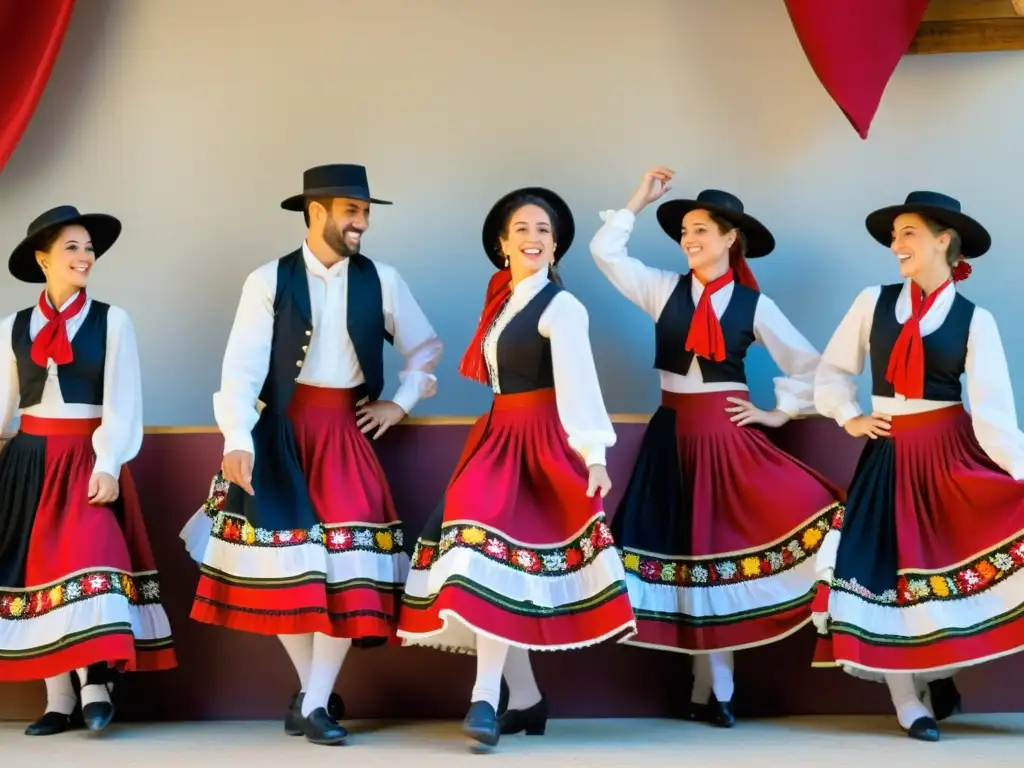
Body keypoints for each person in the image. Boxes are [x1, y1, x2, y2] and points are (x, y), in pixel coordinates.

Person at [179, 164, 443, 746]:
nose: (362, 224)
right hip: (280, 439)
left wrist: (399, 403)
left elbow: (425, 347)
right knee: (287, 575)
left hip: (345, 438)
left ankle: (315, 700)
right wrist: (238, 441)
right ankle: (314, 694)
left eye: (366, 213)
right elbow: (241, 369)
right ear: (316, 211)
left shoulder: (384, 279)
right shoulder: (267, 280)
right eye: (352, 212)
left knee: (347, 570)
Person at [583, 167, 844, 727]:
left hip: (729, 440)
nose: (689, 240)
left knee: (721, 554)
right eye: (684, 232)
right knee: (692, 556)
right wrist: (638, 198)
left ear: (731, 238)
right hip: (672, 437)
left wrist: (777, 412)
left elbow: (816, 368)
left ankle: (715, 688)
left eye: (701, 229)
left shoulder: (755, 305)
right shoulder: (662, 289)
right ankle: (711, 687)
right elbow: (605, 252)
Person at [397, 186, 636, 751]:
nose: (534, 238)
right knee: (494, 567)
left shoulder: (561, 306)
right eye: (523, 229)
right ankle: (526, 701)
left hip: (537, 446)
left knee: (492, 559)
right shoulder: (503, 302)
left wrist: (594, 455)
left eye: (544, 231)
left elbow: (580, 385)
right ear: (503, 244)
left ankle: (485, 698)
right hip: (495, 440)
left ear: (556, 248)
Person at [812, 191, 1024, 742]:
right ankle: (909, 702)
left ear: (942, 240)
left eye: (908, 232)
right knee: (888, 575)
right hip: (888, 455)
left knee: (947, 574)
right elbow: (833, 371)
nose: (895, 244)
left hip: (951, 456)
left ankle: (940, 670)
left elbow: (994, 412)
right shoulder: (872, 301)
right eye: (894, 234)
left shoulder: (976, 320)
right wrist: (850, 416)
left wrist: (1018, 471)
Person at [0, 205, 176, 736]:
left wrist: (109, 465)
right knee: (39, 578)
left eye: (88, 248)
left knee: (93, 563)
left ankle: (95, 684)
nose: (84, 256)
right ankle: (58, 700)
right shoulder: (12, 327)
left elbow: (123, 402)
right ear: (42, 259)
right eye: (72, 247)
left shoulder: (111, 320)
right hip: (29, 462)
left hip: (87, 460)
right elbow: (4, 404)